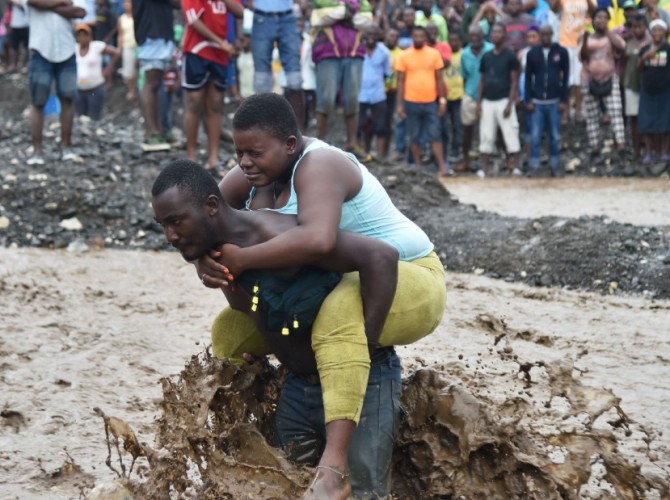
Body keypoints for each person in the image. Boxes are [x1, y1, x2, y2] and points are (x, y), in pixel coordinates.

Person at [195, 93, 447, 498]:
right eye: (238, 152)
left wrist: (240, 259)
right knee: (230, 329)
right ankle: (240, 430)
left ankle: (334, 466)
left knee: (340, 309)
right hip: (340, 279)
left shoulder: (321, 164)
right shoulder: (254, 171)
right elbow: (201, 215)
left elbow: (317, 238)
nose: (243, 163)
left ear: (290, 145)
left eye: (254, 153)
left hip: (409, 274)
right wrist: (205, 261)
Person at [180, 0, 242, 173]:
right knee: (194, 102)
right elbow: (193, 20)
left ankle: (212, 159)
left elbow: (239, 11)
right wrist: (221, 43)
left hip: (220, 52)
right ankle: (191, 157)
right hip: (197, 49)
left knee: (215, 104)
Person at [22, 0, 86, 166]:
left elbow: (80, 12)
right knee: (38, 102)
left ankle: (66, 147)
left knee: (68, 99)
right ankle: (37, 150)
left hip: (67, 50)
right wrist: (63, 3)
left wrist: (49, 5)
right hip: (40, 50)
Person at [396, 25, 452, 176]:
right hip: (411, 101)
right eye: (416, 36)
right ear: (411, 37)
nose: (419, 39)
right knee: (413, 136)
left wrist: (442, 100)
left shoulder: (434, 54)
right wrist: (400, 104)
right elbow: (400, 81)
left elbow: (439, 78)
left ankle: (442, 167)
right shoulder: (404, 55)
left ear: (426, 38)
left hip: (431, 102)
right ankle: (419, 167)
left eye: (421, 36)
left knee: (435, 134)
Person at [311, 6, 366, 155]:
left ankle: (352, 143)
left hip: (354, 50)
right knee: (326, 98)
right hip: (327, 50)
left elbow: (367, 19)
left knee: (353, 98)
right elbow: (318, 17)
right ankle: (319, 142)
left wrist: (338, 14)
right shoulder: (324, 1)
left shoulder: (360, 2)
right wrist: (349, 13)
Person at [247, 0, 304, 128]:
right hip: (263, 17)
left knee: (295, 80)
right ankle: (263, 130)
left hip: (287, 17)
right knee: (261, 81)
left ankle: (299, 134)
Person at [580, 8, 626, 162]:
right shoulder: (585, 36)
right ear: (592, 20)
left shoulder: (611, 35)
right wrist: (586, 40)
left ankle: (620, 146)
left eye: (605, 17)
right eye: (598, 17)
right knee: (592, 115)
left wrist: (607, 31)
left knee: (616, 111)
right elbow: (582, 56)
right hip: (589, 79)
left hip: (609, 77)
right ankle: (595, 149)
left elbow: (621, 47)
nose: (601, 19)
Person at [476, 22, 521, 177]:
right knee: (486, 134)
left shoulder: (510, 56)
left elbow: (514, 80)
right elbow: (482, 80)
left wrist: (510, 103)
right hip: (487, 100)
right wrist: (478, 102)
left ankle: (514, 166)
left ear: (504, 35)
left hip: (503, 100)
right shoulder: (486, 57)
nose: (495, 35)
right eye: (493, 32)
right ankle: (483, 168)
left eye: (498, 32)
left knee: (510, 132)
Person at [133, 0, 178, 150]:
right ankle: (151, 131)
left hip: (160, 31)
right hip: (151, 32)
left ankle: (159, 128)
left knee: (156, 83)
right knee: (151, 82)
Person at [525, 24, 569, 175]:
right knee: (535, 136)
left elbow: (566, 76)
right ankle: (534, 166)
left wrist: (564, 101)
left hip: (554, 101)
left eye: (548, 35)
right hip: (537, 102)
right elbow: (528, 78)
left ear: (552, 34)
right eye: (542, 35)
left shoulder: (561, 52)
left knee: (555, 136)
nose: (545, 38)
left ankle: (555, 165)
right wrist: (528, 100)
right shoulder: (532, 54)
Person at [549, 0, 596, 122]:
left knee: (578, 78)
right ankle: (565, 110)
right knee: (565, 78)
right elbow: (553, 9)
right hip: (564, 41)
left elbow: (594, 10)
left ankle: (578, 110)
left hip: (581, 41)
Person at [637, 18, 670, 168]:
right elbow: (638, 69)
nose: (657, 32)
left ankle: (665, 152)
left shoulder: (668, 49)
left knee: (666, 122)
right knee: (647, 122)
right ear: (650, 32)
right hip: (648, 90)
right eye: (654, 30)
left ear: (664, 32)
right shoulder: (644, 49)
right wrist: (645, 57)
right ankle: (649, 153)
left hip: (665, 90)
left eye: (660, 30)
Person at [460, 24, 493, 172]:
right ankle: (466, 159)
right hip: (470, 94)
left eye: (477, 35)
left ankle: (487, 163)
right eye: (471, 36)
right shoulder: (464, 54)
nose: (474, 39)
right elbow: (464, 76)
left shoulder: (490, 49)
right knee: (467, 129)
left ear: (483, 35)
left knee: (488, 130)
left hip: (488, 96)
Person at [358, 24, 392, 161]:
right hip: (361, 94)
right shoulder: (359, 49)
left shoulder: (384, 52)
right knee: (362, 125)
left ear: (379, 36)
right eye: (368, 33)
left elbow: (387, 73)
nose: (371, 37)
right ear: (364, 35)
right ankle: (364, 152)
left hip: (378, 94)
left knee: (381, 126)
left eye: (374, 33)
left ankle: (380, 155)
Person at [74, 23, 120, 121]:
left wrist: (108, 69)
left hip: (94, 88)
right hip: (79, 89)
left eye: (84, 35)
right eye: (80, 35)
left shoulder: (96, 46)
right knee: (80, 117)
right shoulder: (74, 48)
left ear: (89, 36)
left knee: (94, 116)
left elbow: (116, 53)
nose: (82, 38)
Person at [623, 14, 651, 161]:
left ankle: (647, 149)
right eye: (634, 27)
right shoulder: (629, 42)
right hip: (631, 84)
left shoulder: (652, 42)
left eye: (640, 26)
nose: (637, 30)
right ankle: (636, 151)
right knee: (633, 118)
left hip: (648, 86)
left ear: (645, 27)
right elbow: (624, 63)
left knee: (646, 117)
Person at [444, 31, 465, 167]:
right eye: (451, 40)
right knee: (445, 126)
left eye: (456, 40)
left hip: (459, 95)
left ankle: (456, 150)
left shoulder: (464, 54)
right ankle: (446, 152)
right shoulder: (444, 55)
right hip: (445, 96)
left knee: (458, 125)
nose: (454, 43)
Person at [117, 0, 137, 100]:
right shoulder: (121, 19)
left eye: (128, 3)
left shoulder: (137, 16)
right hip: (127, 46)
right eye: (125, 3)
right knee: (129, 71)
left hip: (137, 46)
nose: (126, 5)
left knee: (137, 69)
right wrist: (119, 48)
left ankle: (138, 89)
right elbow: (120, 35)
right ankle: (131, 90)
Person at [8, 0, 29, 72]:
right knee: (14, 46)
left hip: (25, 24)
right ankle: (14, 65)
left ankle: (24, 64)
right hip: (15, 24)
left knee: (26, 46)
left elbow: (23, 5)